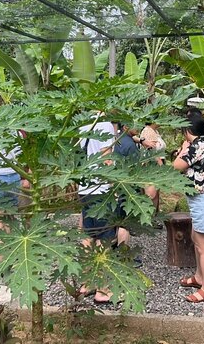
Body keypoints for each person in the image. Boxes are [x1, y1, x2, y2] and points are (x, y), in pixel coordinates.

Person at [173, 111, 204, 303]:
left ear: (187, 130)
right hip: (203, 200)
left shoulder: (196, 146)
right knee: (196, 239)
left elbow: (175, 166)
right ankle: (199, 277)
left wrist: (183, 149)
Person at [78, 116, 117, 303]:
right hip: (102, 189)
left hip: (84, 188)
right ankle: (103, 289)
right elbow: (106, 157)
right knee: (104, 238)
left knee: (89, 235)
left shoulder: (85, 123)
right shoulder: (106, 125)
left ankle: (86, 283)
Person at [139, 122, 166, 212]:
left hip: (157, 164)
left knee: (155, 194)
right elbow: (151, 151)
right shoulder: (148, 131)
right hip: (152, 165)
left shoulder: (155, 131)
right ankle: (150, 218)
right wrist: (161, 165)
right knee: (151, 195)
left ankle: (154, 217)